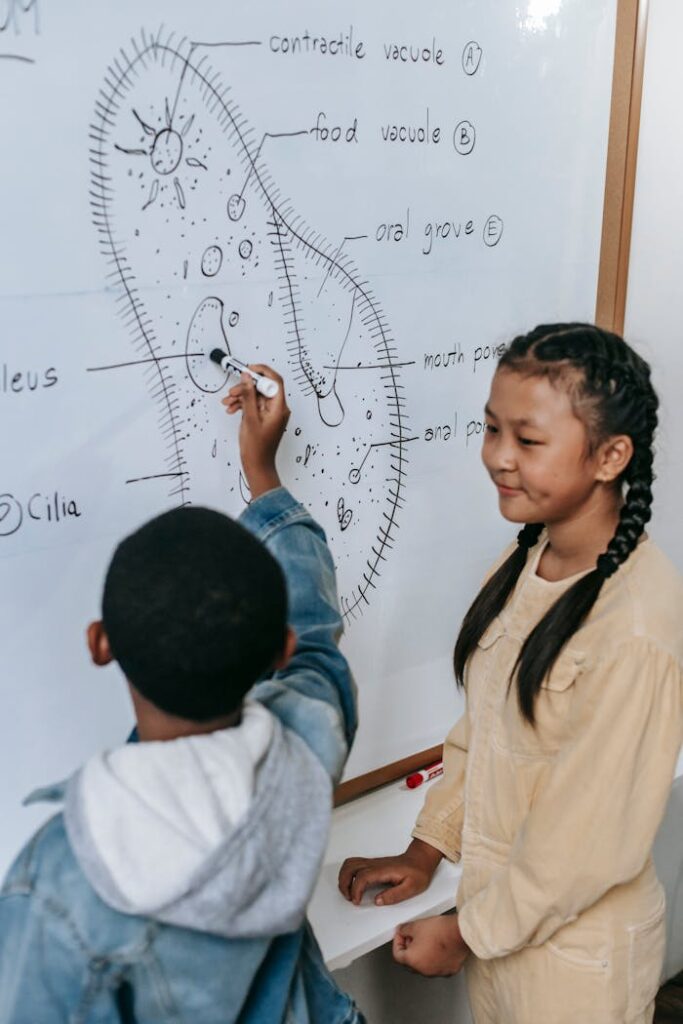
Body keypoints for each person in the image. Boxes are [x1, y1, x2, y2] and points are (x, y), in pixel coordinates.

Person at [339, 324, 683, 1024]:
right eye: (490, 429)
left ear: (610, 455)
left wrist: (466, 933)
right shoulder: (525, 558)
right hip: (504, 928)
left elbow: (584, 843)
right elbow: (486, 729)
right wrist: (426, 847)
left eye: (526, 441)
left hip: (574, 963)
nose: (497, 457)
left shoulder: (636, 628)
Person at [0, 366, 365, 1024]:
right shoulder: (310, 736)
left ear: (99, 643)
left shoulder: (58, 876)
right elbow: (314, 631)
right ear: (275, 654)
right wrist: (263, 475)